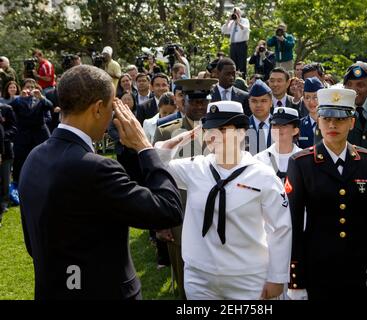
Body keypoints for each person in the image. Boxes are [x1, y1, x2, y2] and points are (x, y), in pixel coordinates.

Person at [18, 65, 182, 300]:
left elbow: (32, 243)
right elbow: (168, 210)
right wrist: (145, 148)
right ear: (97, 108)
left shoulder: (34, 157)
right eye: (112, 108)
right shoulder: (96, 168)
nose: (113, 117)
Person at [156, 100, 292, 299]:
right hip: (199, 277)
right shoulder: (195, 167)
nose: (214, 135)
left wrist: (277, 277)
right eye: (209, 128)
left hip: (247, 277)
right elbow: (157, 168)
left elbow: (280, 228)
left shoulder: (262, 175)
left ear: (241, 132)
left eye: (222, 129)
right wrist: (174, 143)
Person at [286, 88, 367, 300]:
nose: (332, 125)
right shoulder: (301, 163)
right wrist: (296, 279)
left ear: (351, 122)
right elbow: (294, 224)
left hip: (359, 268)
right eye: (327, 118)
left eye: (340, 119)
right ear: (318, 121)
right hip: (318, 267)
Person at [153, 78, 218, 299]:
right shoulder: (166, 132)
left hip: (216, 215)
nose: (200, 107)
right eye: (194, 102)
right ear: (182, 102)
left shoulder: (223, 130)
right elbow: (157, 177)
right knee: (186, 284)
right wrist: (161, 222)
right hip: (179, 216)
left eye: (204, 102)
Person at [10, 79, 53, 187]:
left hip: (40, 134)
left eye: (31, 87)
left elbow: (50, 106)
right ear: (23, 88)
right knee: (20, 160)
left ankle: (46, 181)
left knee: (44, 158)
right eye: (27, 87)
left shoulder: (41, 99)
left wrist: (41, 97)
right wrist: (20, 97)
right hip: (23, 135)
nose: (29, 89)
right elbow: (10, 108)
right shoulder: (18, 100)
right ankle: (18, 184)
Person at [254, 107, 301, 182]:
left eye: (284, 125)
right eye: (274, 125)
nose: (278, 129)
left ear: (295, 130)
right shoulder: (259, 159)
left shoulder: (304, 159)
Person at [221, 7, 250, 78]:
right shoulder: (231, 23)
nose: (236, 14)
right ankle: (233, 79)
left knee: (242, 64)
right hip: (233, 45)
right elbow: (223, 31)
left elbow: (245, 30)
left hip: (242, 44)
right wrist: (228, 20)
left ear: (240, 13)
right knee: (233, 64)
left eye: (237, 13)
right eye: (234, 13)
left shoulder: (245, 20)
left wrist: (238, 22)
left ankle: (242, 79)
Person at [247, 80, 274, 154]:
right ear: (249, 102)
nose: (258, 105)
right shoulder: (242, 127)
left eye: (263, 101)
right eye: (254, 101)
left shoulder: (280, 126)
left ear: (271, 102)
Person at [298, 77, 323, 149]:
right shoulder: (299, 125)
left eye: (315, 97)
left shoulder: (331, 123)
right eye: (307, 97)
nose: (311, 102)